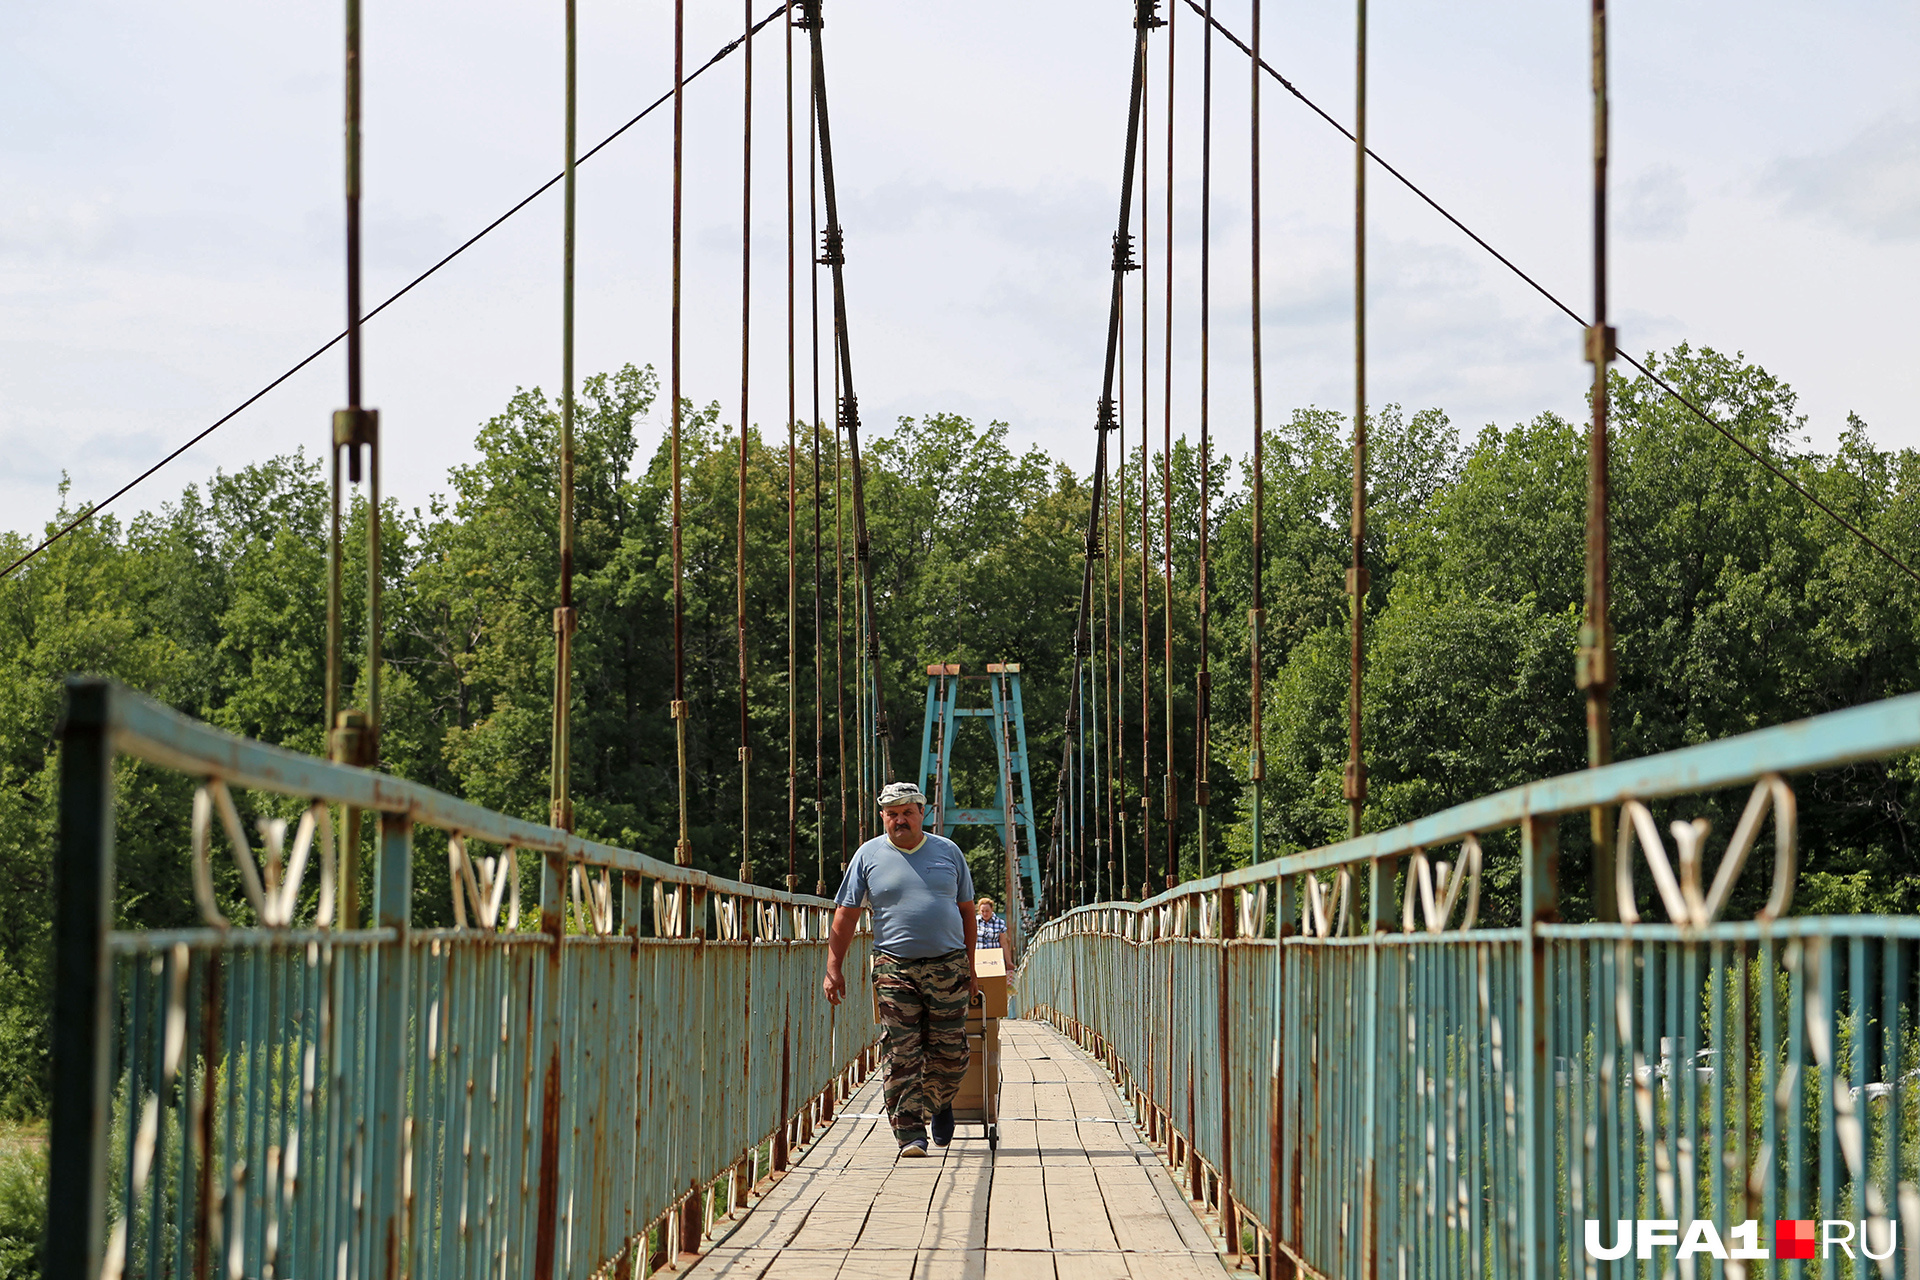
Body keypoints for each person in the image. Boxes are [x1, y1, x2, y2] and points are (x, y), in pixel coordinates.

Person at [822, 781, 978, 1157]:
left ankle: (939, 1103)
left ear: (921, 814)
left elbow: (967, 912)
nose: (900, 820)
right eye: (892, 814)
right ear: (883, 817)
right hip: (894, 967)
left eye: (907, 812)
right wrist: (833, 967)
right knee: (901, 1051)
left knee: (950, 1052)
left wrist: (971, 969)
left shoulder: (948, 852)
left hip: (949, 965)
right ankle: (910, 1134)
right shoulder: (868, 855)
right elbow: (846, 914)